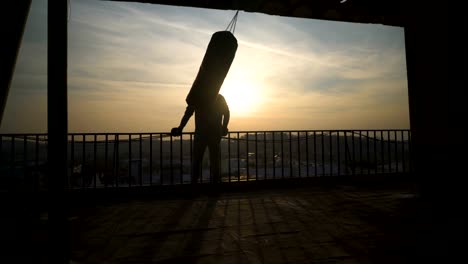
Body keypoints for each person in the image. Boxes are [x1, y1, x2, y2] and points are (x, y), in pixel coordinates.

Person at [171, 94, 230, 184]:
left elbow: (188, 113)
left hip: (201, 134)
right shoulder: (219, 97)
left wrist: (180, 128)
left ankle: (194, 185)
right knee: (215, 160)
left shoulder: (198, 95)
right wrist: (224, 127)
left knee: (197, 160)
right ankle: (215, 185)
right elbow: (226, 112)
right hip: (214, 134)